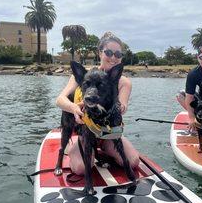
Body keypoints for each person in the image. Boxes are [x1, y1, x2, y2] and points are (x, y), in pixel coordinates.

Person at [56, 31, 140, 175]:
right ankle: (73, 148)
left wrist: (119, 107)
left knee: (133, 162)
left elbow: (122, 105)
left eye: (118, 54)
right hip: (87, 133)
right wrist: (74, 107)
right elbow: (60, 100)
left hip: (109, 134)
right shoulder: (84, 76)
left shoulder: (123, 82)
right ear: (99, 53)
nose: (113, 57)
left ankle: (105, 151)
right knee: (80, 169)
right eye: (108, 52)